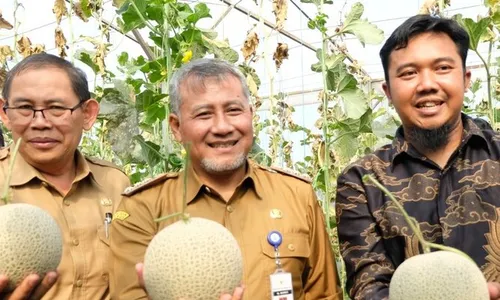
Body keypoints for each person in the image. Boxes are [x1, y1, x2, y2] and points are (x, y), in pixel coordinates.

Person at [109, 58, 343, 299]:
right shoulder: (142, 208)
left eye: (233, 110)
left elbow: (324, 294)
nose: (222, 127)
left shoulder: (297, 194)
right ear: (177, 127)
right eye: (204, 114)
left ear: (251, 115)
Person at [336, 14, 500, 300]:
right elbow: (368, 287)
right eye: (408, 73)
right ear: (387, 91)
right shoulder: (362, 181)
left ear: (466, 79)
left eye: (442, 68)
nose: (426, 84)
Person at [0, 52, 130, 299]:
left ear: (88, 114)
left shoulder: (116, 183)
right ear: (5, 112)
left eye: (56, 108)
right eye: (25, 108)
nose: (40, 122)